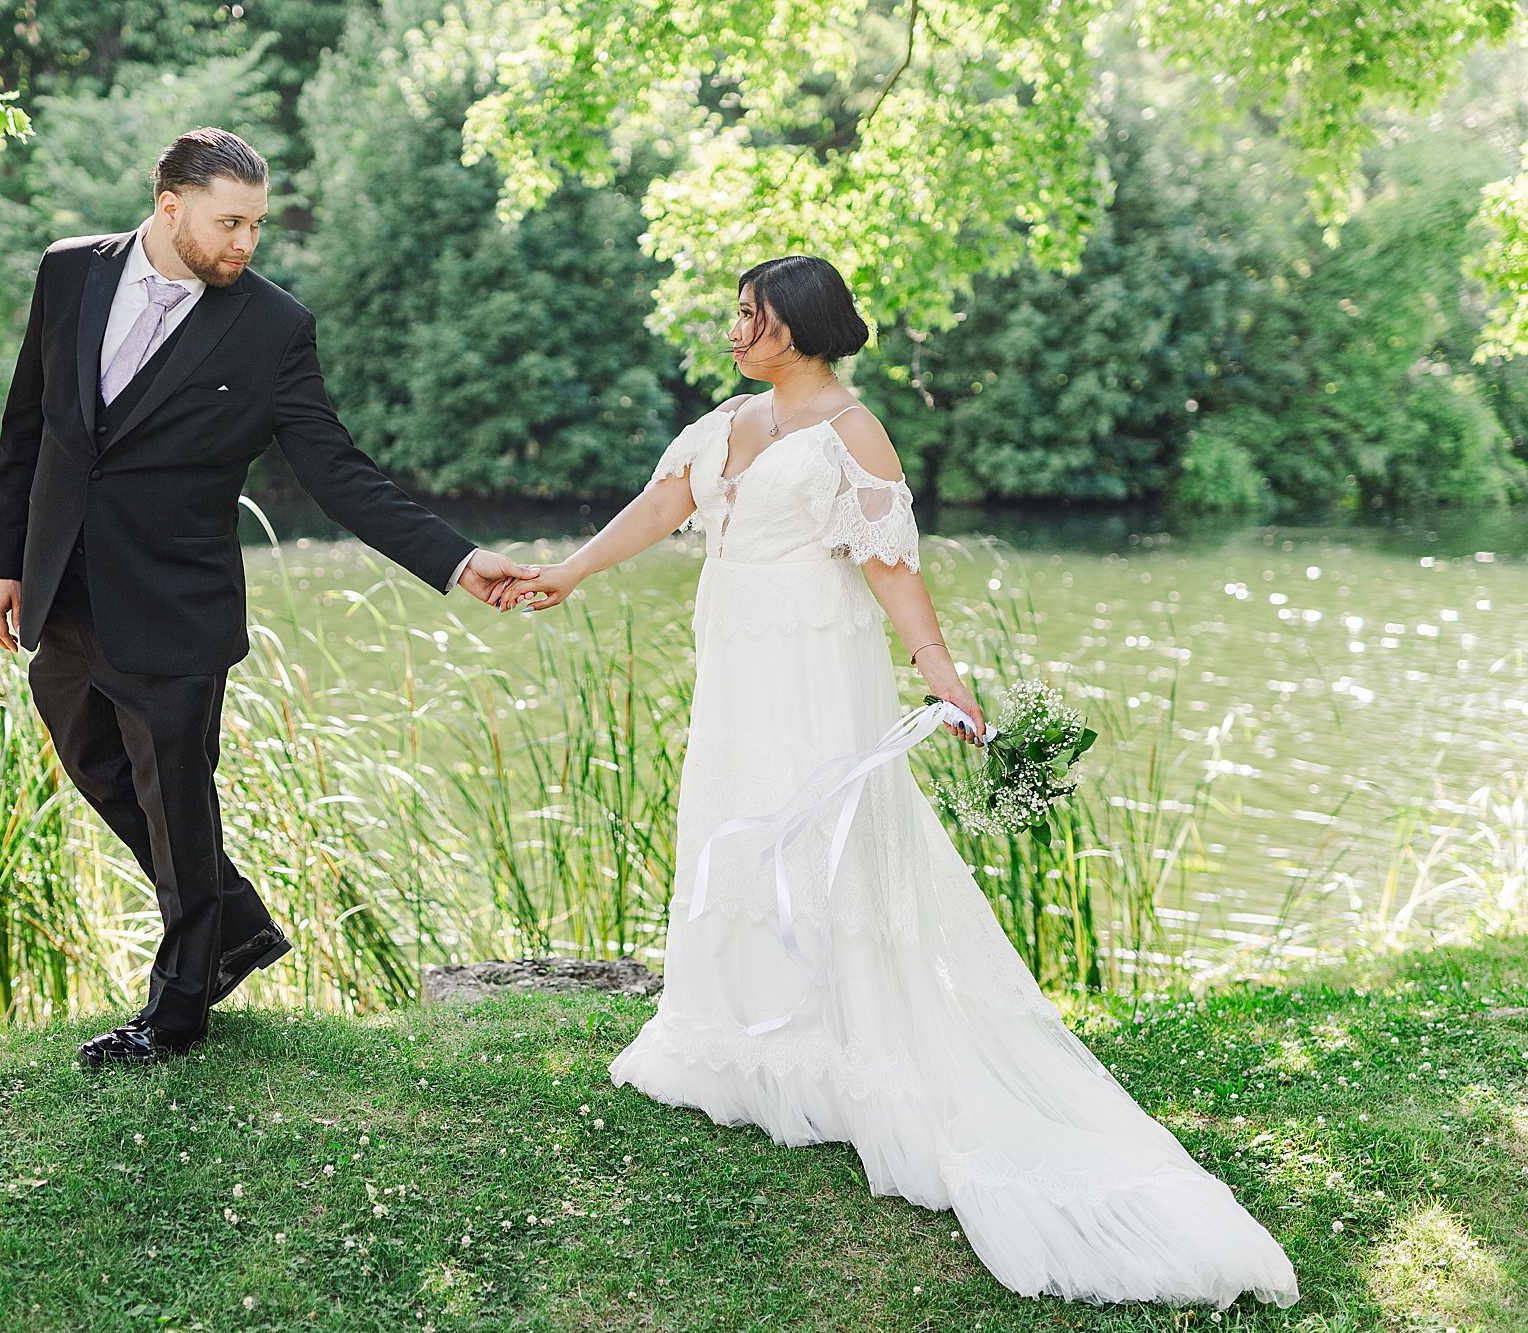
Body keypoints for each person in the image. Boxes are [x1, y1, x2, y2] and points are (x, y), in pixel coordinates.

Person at [499, 256, 1299, 1307]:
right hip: (736, 660)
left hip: (811, 662)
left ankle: (841, 1050)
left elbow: (891, 568)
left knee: (821, 840)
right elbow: (657, 509)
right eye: (737, 313)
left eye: (750, 314)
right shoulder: (725, 422)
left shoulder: (849, 432)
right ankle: (739, 1042)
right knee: (736, 823)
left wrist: (945, 681)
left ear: (795, 326)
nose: (734, 328)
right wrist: (563, 571)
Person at [0, 128, 533, 1067]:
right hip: (61, 583)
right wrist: (3, 562)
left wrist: (456, 559)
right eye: (230, 222)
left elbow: (339, 472)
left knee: (180, 804)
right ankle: (231, 921)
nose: (246, 243)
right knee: (96, 767)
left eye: (257, 225)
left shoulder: (274, 327)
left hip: (177, 605)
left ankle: (178, 1009)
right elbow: (27, 422)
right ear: (170, 206)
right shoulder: (69, 272)